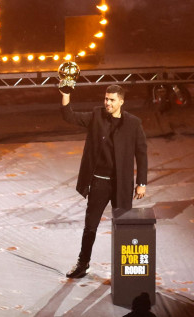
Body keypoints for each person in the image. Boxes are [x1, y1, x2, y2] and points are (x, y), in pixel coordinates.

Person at [60, 83, 148, 278]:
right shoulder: (96, 115)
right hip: (99, 182)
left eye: (112, 100)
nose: (107, 103)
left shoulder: (133, 123)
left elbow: (141, 154)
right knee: (90, 226)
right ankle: (83, 264)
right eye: (106, 99)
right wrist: (66, 94)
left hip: (121, 185)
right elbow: (69, 116)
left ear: (121, 102)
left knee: (122, 226)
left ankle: (124, 269)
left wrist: (141, 182)